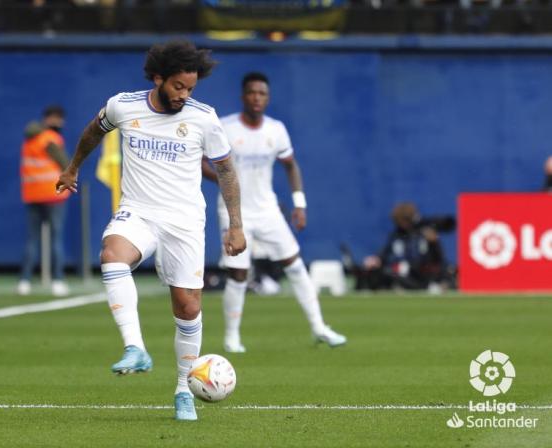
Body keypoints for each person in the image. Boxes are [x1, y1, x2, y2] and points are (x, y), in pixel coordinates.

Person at [56, 40, 246, 421]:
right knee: (112, 255)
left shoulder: (203, 118)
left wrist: (236, 225)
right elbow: (93, 132)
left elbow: (225, 170)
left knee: (188, 307)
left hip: (185, 221)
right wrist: (73, 167)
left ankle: (183, 390)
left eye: (190, 88)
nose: (184, 95)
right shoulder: (123, 105)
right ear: (158, 78)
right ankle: (135, 347)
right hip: (138, 212)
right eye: (178, 86)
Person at [202, 71, 347, 354]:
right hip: (234, 212)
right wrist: (224, 180)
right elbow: (200, 161)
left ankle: (319, 327)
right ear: (243, 96)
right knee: (238, 274)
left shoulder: (276, 129)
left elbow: (291, 166)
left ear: (267, 98)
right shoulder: (226, 127)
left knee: (294, 264)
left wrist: (299, 203)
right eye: (252, 93)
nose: (257, 98)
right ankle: (232, 338)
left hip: (267, 210)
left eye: (262, 94)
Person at [18, 105, 70, 297]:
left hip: (32, 194)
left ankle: (24, 281)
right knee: (56, 239)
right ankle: (58, 280)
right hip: (53, 194)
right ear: (52, 119)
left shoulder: (28, 141)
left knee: (32, 240)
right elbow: (66, 164)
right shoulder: (51, 139)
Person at [343, 202, 455, 292]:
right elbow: (385, 253)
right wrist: (376, 260)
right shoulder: (396, 235)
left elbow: (438, 259)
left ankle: (433, 285)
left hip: (422, 274)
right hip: (402, 274)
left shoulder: (424, 232)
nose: (400, 224)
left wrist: (434, 243)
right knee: (384, 273)